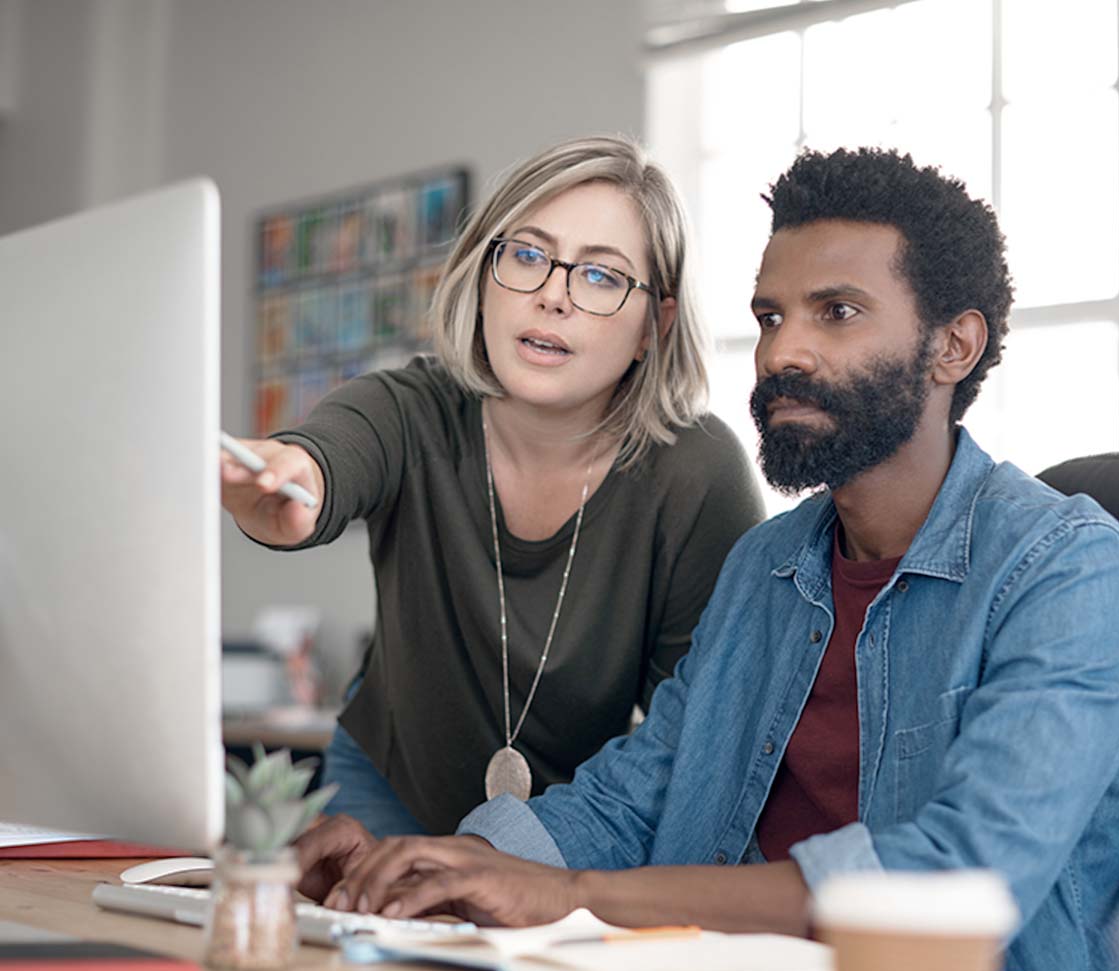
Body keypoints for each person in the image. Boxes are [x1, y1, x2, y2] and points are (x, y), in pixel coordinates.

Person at [295, 147, 1119, 971]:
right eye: (770, 317)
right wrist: (450, 867)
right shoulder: (767, 565)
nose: (781, 352)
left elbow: (957, 879)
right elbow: (636, 792)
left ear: (952, 347)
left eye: (838, 312)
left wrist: (574, 894)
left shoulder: (1066, 571)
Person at [221, 136, 765, 838]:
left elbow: (694, 731)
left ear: (651, 327)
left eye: (600, 277)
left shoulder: (696, 473)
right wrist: (292, 481)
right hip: (390, 781)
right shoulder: (412, 409)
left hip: (582, 810)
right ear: (485, 275)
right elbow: (329, 454)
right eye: (529, 256)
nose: (551, 296)